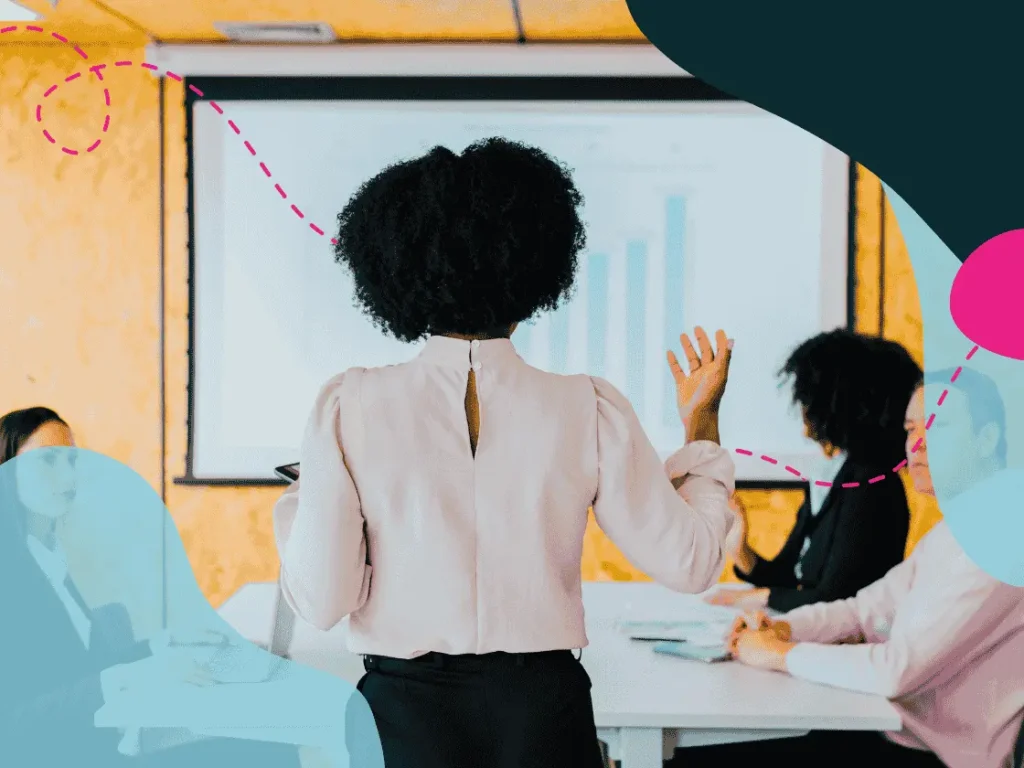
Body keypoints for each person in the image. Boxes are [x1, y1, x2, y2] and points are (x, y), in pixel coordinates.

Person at [274, 138, 739, 768]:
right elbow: (692, 564)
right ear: (535, 271)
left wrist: (304, 496)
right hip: (544, 715)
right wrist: (701, 424)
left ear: (396, 269)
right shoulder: (587, 406)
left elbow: (322, 600)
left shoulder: (347, 406)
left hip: (402, 718)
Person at [672, 368, 1024, 768]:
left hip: (934, 757)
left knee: (691, 756)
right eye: (911, 429)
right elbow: (862, 609)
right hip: (894, 731)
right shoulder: (958, 529)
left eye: (937, 427)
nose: (917, 444)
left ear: (987, 439)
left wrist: (779, 654)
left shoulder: (1003, 537)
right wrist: (784, 628)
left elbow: (896, 670)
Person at [0, 406, 302, 767]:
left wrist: (165, 645)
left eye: (72, 460)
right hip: (64, 756)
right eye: (49, 461)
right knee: (267, 751)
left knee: (273, 742)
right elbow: (14, 720)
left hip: (97, 746)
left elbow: (84, 663)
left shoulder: (49, 557)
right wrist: (131, 676)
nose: (68, 478)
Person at [704, 329, 920, 613]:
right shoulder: (835, 474)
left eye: (808, 396)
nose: (802, 409)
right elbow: (789, 575)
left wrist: (760, 598)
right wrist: (741, 551)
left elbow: (835, 599)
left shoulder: (871, 485)